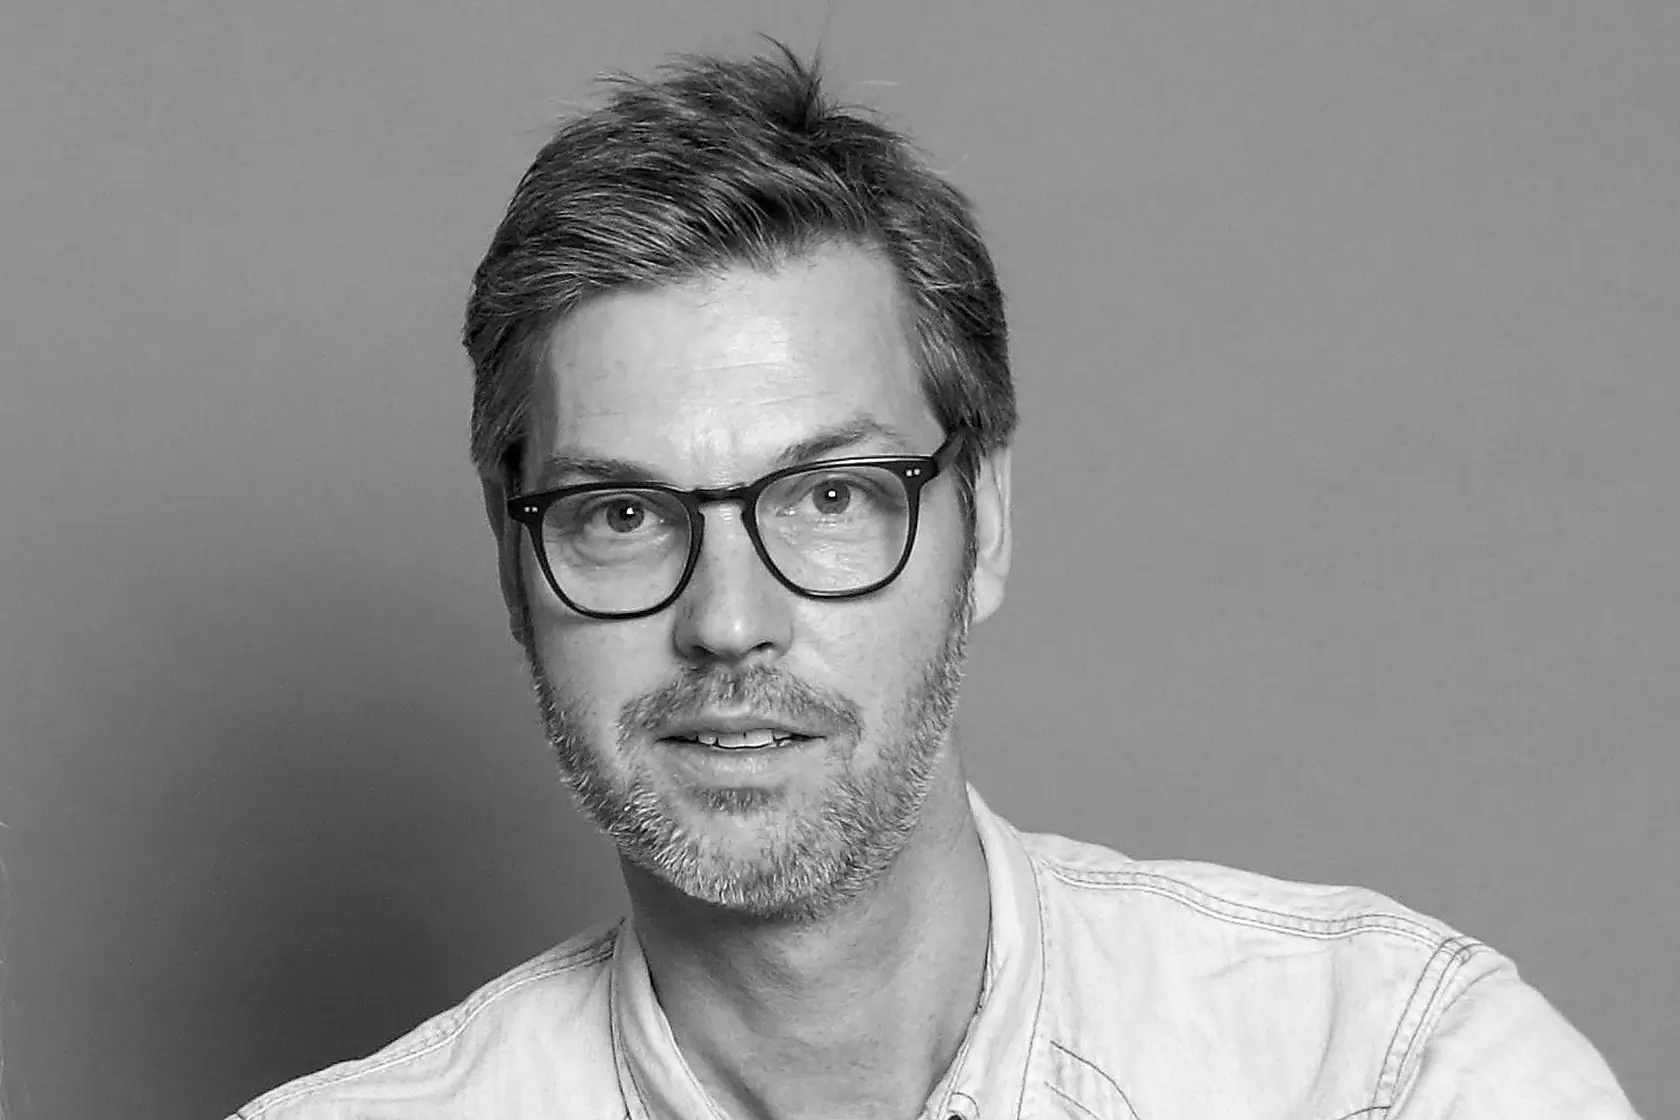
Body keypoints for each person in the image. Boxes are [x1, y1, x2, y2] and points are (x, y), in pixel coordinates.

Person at [230, 45, 1639, 1120]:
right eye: (623, 514)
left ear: (988, 524)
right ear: (514, 559)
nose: (728, 621)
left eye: (830, 498)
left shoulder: (1383, 1071)